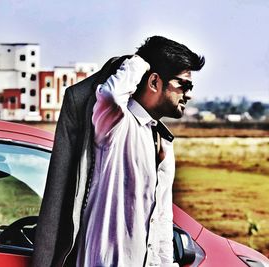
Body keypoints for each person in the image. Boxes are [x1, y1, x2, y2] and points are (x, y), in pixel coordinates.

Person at [33, 36, 205, 267]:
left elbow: (161, 223)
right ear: (154, 82)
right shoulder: (115, 126)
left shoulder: (163, 143)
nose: (189, 94)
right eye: (183, 84)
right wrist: (140, 61)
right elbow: (112, 95)